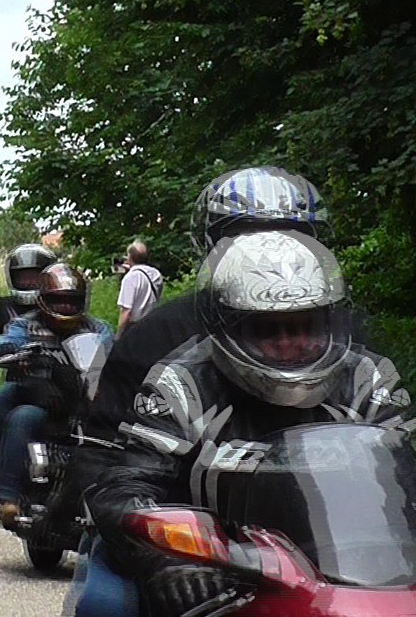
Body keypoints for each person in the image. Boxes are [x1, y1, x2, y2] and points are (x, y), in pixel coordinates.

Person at [78, 231, 416, 617]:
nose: (288, 343)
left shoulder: (364, 379)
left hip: (350, 571)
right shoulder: (185, 383)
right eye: (266, 329)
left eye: (303, 327)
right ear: (228, 328)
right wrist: (167, 560)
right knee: (105, 605)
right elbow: (127, 485)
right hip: (216, 568)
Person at [66, 166, 337, 617]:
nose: (272, 252)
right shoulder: (155, 336)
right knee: (106, 605)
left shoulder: (348, 345)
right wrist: (160, 558)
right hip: (184, 549)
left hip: (330, 546)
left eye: (291, 237)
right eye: (247, 238)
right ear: (214, 247)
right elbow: (104, 458)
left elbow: (403, 460)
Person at [0, 263, 113, 528]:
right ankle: (6, 493)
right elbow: (2, 345)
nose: (65, 307)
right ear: (43, 300)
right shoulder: (26, 325)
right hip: (38, 393)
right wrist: (11, 350)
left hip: (83, 396)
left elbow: (115, 351)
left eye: (71, 301)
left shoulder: (98, 329)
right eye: (58, 301)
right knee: (16, 413)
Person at [116, 241, 164, 337]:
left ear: (129, 257)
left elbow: (127, 312)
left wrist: (118, 335)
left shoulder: (130, 278)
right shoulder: (156, 274)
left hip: (135, 328)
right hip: (152, 325)